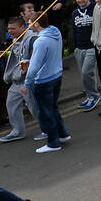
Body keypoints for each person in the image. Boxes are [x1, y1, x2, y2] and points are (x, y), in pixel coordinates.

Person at [22, 13, 70, 154]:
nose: (28, 25)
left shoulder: (40, 41)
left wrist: (26, 83)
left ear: (36, 23)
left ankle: (53, 142)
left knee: (45, 112)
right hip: (57, 76)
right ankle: (63, 134)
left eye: (30, 23)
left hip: (43, 81)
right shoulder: (55, 31)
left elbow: (35, 66)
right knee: (53, 107)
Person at [0, 15, 39, 142]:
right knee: (11, 104)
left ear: (23, 27)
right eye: (8, 29)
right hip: (17, 81)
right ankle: (18, 131)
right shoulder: (15, 39)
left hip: (28, 81)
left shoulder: (32, 39)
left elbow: (35, 59)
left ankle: (49, 129)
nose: (10, 31)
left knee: (35, 108)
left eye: (13, 28)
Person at [68, 0, 100, 112]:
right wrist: (75, 46)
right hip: (79, 48)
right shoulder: (75, 13)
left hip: (92, 47)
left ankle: (94, 96)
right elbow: (74, 30)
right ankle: (89, 96)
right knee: (83, 74)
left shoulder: (95, 9)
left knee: (87, 72)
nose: (80, 0)